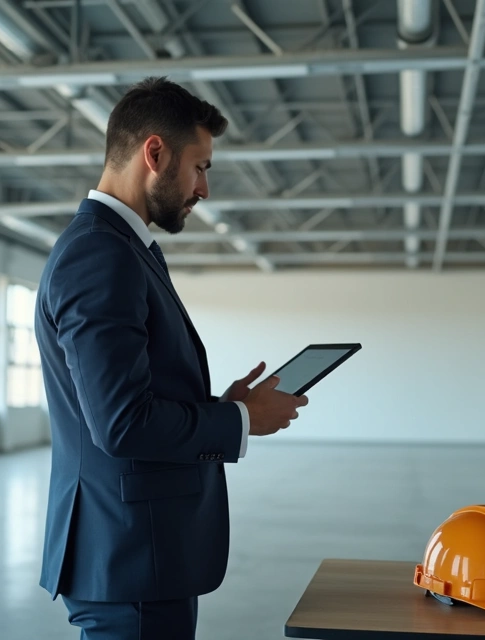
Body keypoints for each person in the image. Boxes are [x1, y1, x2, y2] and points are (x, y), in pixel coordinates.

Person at [34, 76, 310, 640]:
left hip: (137, 553)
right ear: (154, 153)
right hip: (132, 555)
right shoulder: (100, 254)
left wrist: (222, 406)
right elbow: (121, 422)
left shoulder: (125, 250)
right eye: (200, 166)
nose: (204, 188)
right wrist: (241, 420)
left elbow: (130, 397)